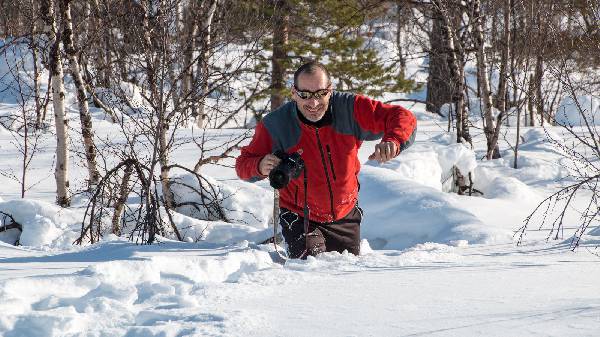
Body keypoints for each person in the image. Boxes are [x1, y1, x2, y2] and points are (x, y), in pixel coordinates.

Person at [236, 61, 417, 258]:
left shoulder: (350, 109)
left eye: (320, 94)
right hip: (300, 217)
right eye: (304, 95)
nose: (313, 103)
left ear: (330, 90)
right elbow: (242, 165)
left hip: (345, 215)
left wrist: (393, 140)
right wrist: (260, 165)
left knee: (342, 278)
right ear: (293, 93)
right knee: (313, 270)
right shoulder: (276, 124)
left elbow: (402, 116)